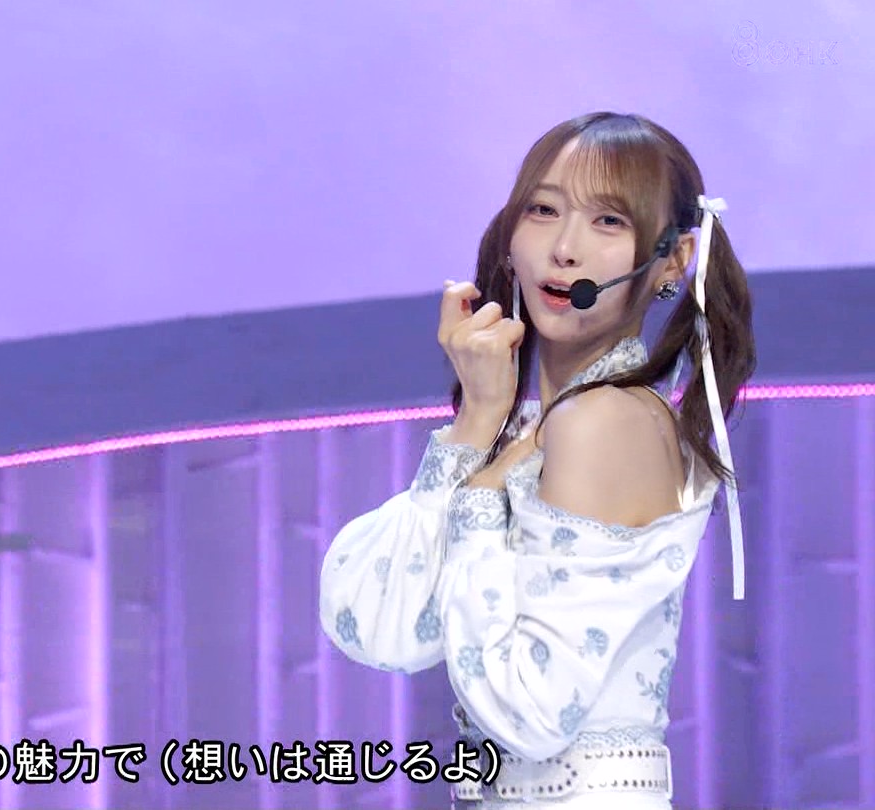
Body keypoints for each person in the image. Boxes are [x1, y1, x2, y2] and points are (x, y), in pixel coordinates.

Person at [318, 112, 755, 808]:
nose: (564, 249)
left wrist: (480, 494)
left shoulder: (605, 421)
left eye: (608, 221)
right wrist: (476, 423)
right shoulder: (531, 428)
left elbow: (530, 711)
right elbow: (376, 628)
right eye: (544, 211)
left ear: (673, 259)